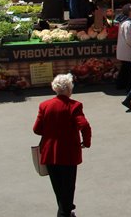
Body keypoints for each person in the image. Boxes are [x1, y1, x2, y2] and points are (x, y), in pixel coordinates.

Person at [33, 73, 92, 217]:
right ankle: (65, 213)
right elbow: (84, 125)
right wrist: (87, 142)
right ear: (69, 90)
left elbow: (37, 129)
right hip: (68, 153)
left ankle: (66, 210)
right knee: (68, 187)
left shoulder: (44, 105)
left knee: (58, 188)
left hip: (49, 153)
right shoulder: (74, 106)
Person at [114, 4, 131, 90]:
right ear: (129, 12)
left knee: (124, 69)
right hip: (128, 52)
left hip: (124, 51)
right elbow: (129, 38)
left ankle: (120, 85)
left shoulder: (124, 21)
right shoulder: (128, 23)